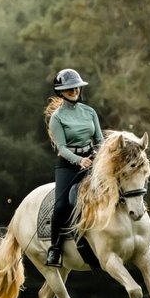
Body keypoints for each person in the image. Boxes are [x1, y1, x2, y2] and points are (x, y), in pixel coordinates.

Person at [43, 67, 105, 267]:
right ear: (60, 92)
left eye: (76, 88)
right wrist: (79, 161)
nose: (74, 91)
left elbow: (99, 139)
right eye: (70, 89)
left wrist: (98, 155)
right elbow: (61, 148)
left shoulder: (90, 112)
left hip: (92, 161)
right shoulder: (57, 118)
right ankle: (55, 248)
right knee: (61, 207)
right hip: (68, 165)